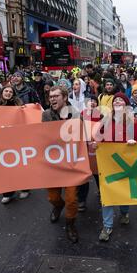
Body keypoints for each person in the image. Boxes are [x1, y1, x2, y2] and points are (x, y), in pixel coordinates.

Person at [96, 92, 137, 242]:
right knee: (108, 194)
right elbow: (98, 138)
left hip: (127, 163)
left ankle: (124, 213)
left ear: (126, 105)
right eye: (115, 100)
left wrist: (134, 143)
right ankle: (107, 225)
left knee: (124, 192)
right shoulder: (105, 121)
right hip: (109, 163)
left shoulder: (134, 122)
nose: (118, 102)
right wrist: (95, 144)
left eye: (121, 100)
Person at [42, 86, 81, 243]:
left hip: (71, 162)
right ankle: (58, 206)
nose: (52, 99)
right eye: (50, 96)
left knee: (71, 199)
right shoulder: (45, 114)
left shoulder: (75, 114)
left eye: (56, 96)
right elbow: (43, 136)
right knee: (53, 197)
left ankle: (70, 224)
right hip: (54, 163)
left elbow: (80, 134)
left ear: (64, 98)